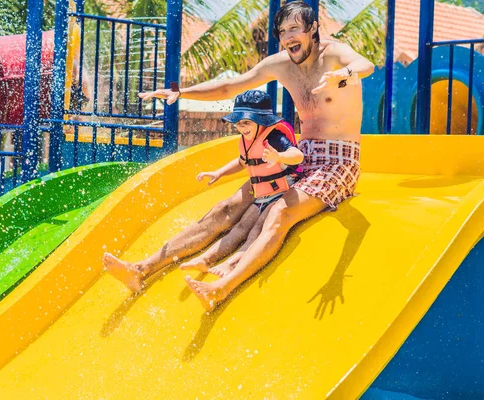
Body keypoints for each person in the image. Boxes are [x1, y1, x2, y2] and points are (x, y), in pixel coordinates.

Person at [107, 1, 375, 306]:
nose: (288, 37)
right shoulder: (281, 64)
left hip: (338, 161)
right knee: (228, 206)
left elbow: (366, 65)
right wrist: (182, 93)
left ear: (312, 29)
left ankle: (222, 287)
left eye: (295, 29)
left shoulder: (335, 55)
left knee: (280, 211)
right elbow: (230, 86)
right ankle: (141, 269)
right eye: (283, 31)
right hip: (299, 153)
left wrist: (345, 75)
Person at [178, 90, 303, 277]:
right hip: (262, 195)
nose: (241, 127)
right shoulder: (247, 141)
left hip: (283, 191)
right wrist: (219, 172)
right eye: (238, 123)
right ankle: (206, 259)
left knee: (257, 229)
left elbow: (297, 155)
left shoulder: (274, 137)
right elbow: (243, 162)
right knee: (240, 227)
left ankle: (232, 263)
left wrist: (279, 156)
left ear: (262, 120)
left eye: (246, 122)